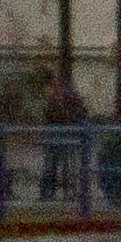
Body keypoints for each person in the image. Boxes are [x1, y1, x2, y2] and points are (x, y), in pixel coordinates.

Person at [39, 70, 90, 202]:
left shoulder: (59, 97)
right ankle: (61, 192)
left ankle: (50, 192)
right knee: (60, 163)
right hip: (63, 133)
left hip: (60, 133)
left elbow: (53, 115)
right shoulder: (65, 95)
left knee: (54, 163)